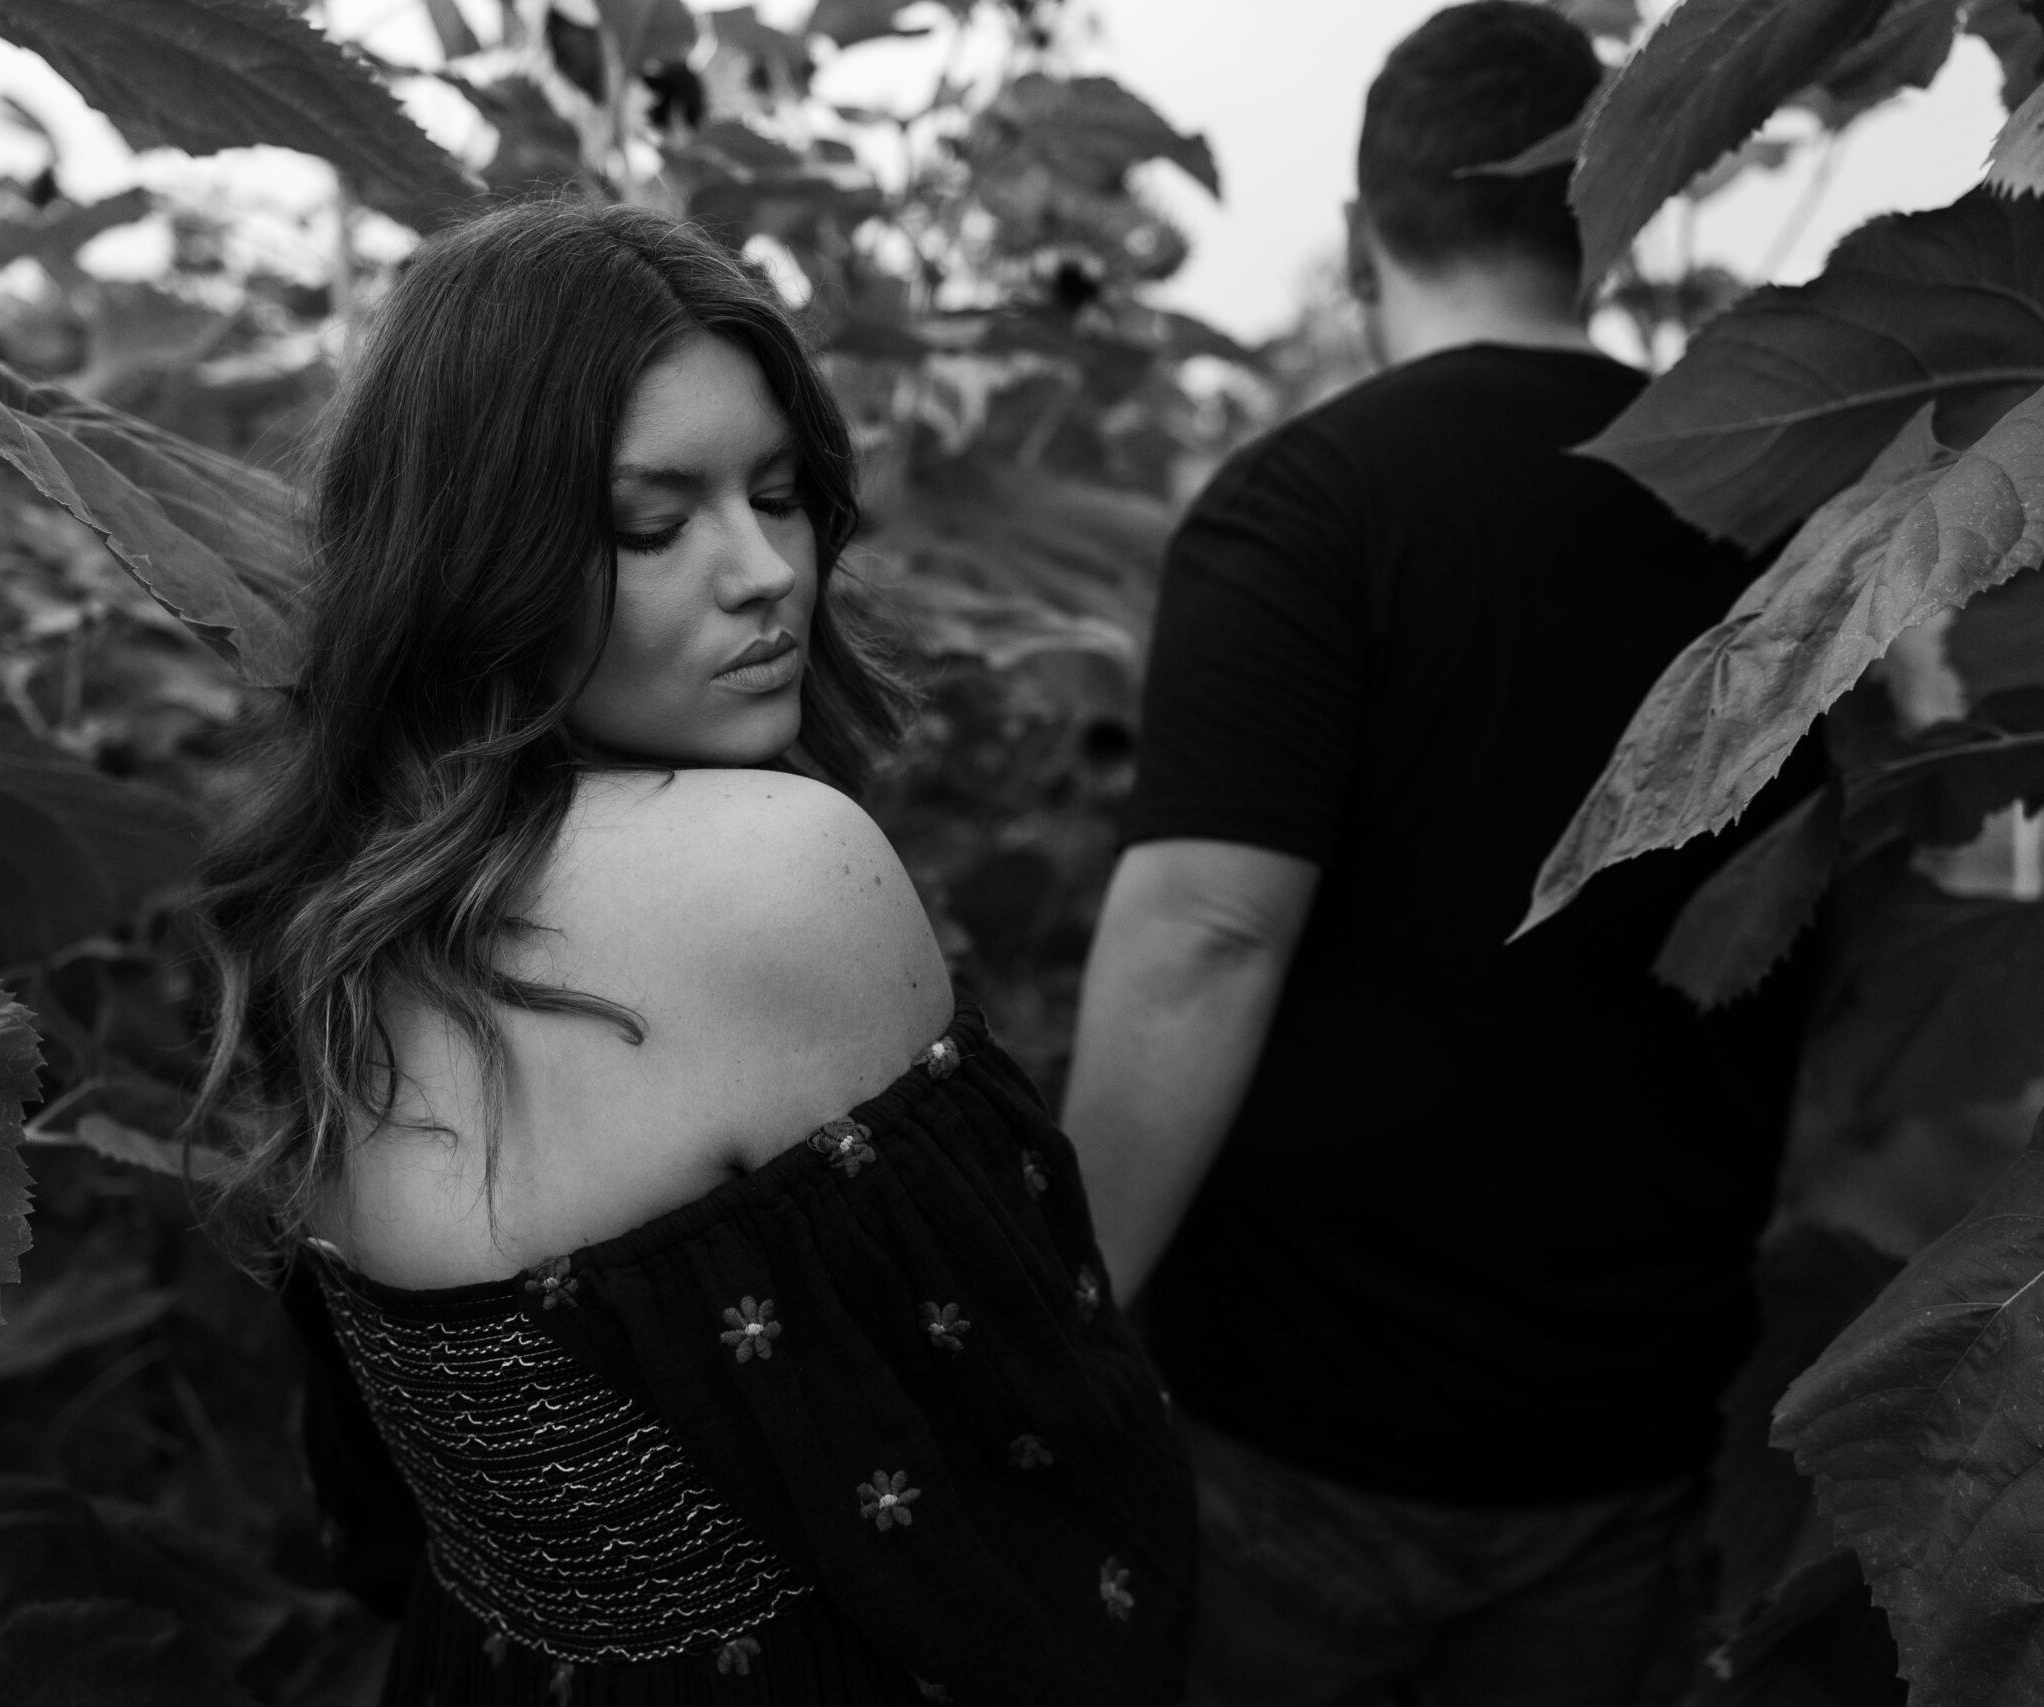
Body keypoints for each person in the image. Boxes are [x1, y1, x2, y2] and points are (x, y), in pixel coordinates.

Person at [186, 200, 1194, 1707]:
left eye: (780, 497)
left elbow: (380, 1508)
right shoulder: (775, 867)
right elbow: (1036, 1461)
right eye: (654, 525)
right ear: (474, 560)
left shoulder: (330, 908)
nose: (764, 572)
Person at [1061, 6, 1815, 1703]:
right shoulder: (1767, 520)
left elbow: (1203, 935)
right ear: (1605, 217)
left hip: (1305, 1436)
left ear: (1355, 242)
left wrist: (1059, 1316)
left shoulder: (1306, 510)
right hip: (1628, 1427)